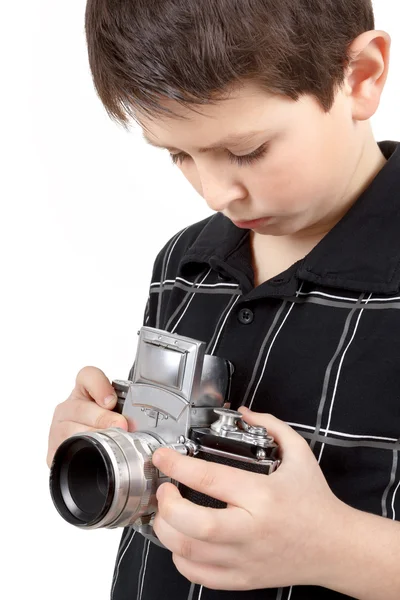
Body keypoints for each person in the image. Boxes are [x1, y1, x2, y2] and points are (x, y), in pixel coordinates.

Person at [46, 1, 400, 598]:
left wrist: (336, 549)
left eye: (247, 151)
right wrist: (105, 452)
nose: (215, 192)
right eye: (180, 155)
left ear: (360, 77)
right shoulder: (184, 263)